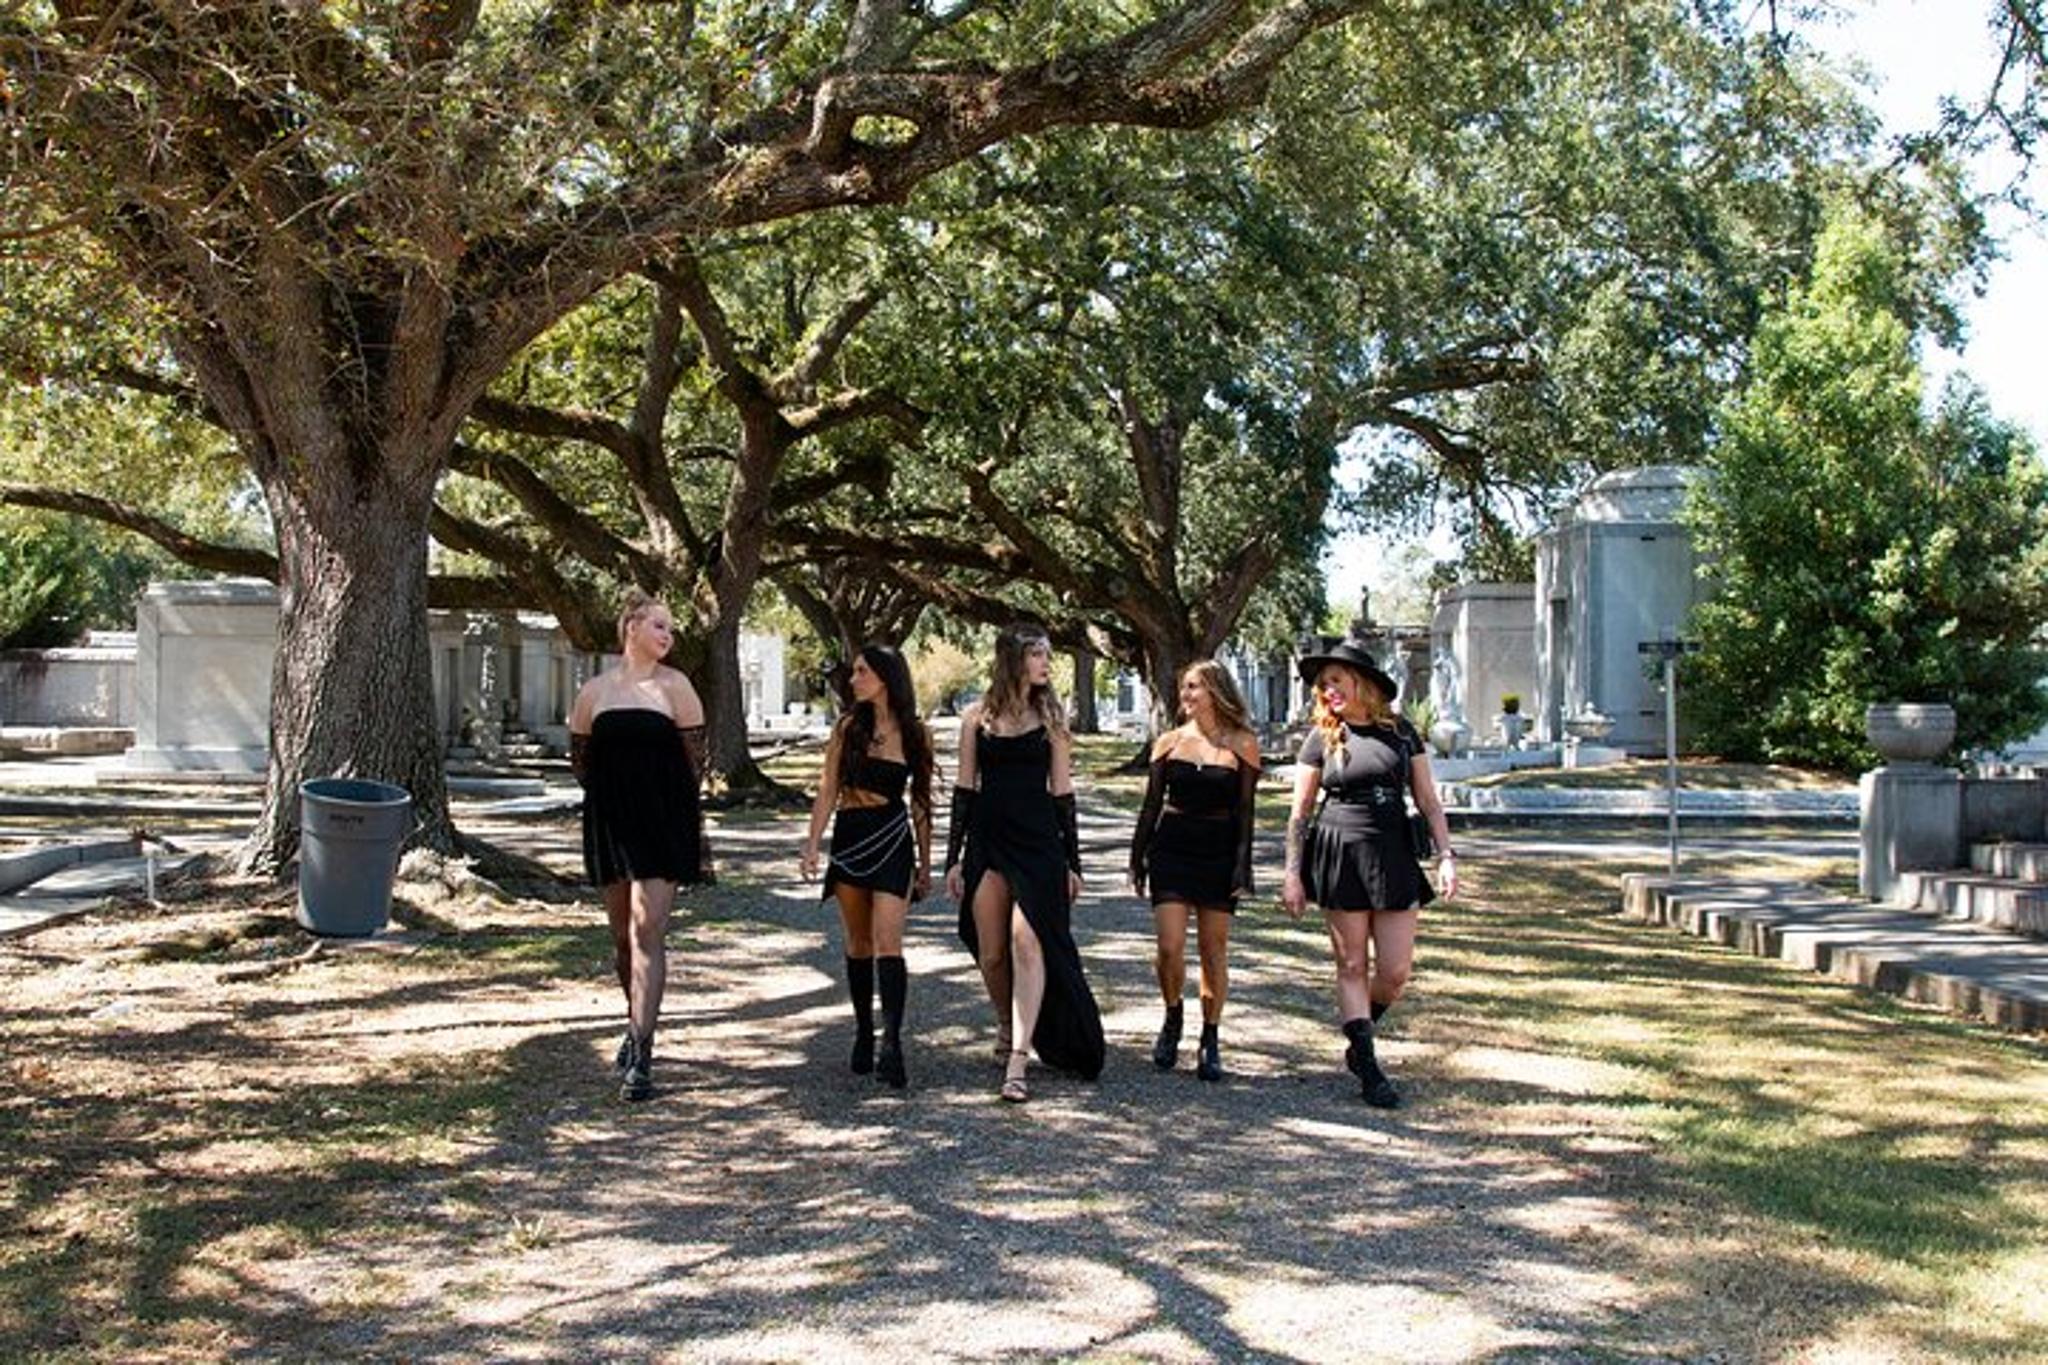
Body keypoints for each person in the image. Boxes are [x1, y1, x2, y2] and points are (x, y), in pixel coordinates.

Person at [1280, 640, 1456, 1108]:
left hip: (1394, 852)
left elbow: (1428, 800)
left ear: (1363, 683)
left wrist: (1446, 855)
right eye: (1323, 684)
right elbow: (1299, 814)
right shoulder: (1321, 737)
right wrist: (1293, 874)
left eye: (1336, 680)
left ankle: (1360, 1035)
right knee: (1352, 964)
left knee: (1395, 972)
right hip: (1340, 851)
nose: (1329, 690)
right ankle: (1369, 1065)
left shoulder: (1401, 733)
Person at [944, 624, 1106, 1102]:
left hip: (1039, 846)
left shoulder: (1053, 719)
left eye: (1047, 655)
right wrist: (953, 859)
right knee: (992, 952)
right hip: (988, 842)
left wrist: (1073, 862)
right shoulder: (976, 717)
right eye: (1036, 654)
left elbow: (1063, 792)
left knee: (1027, 944)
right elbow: (964, 789)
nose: (1044, 664)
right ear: (1013, 659)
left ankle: (1018, 1058)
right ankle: (1005, 1019)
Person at [568, 590, 709, 1102]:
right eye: (659, 627)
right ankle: (634, 1023)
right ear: (631, 628)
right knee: (623, 941)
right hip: (610, 822)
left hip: (663, 821)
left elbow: (695, 760)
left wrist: (665, 803)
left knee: (648, 928)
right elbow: (581, 758)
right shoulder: (596, 691)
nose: (668, 637)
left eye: (670, 629)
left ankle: (643, 1055)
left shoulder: (678, 687)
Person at [800, 644, 936, 1090]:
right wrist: (811, 845)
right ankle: (863, 1030)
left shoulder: (915, 734)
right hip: (851, 837)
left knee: (887, 941)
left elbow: (920, 802)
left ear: (885, 677)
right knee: (858, 942)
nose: (853, 679)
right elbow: (827, 788)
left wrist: (926, 862)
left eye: (861, 672)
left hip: (892, 839)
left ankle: (892, 1043)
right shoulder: (847, 728)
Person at [1128, 660, 1262, 1082]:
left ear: (1215, 692)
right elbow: (1151, 804)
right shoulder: (1167, 742)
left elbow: (1246, 815)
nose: (1185, 695)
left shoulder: (1242, 745)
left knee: (1212, 950)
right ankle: (1172, 1017)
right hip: (1172, 848)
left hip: (1219, 852)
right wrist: (1137, 856)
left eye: (1193, 688)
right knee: (1169, 945)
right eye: (1184, 688)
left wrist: (1243, 868)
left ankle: (1210, 1036)